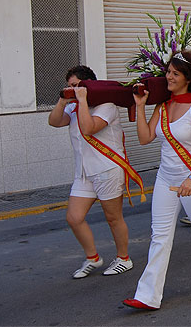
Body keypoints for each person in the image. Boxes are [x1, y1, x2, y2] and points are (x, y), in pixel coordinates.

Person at [124, 51, 191, 310]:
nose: (169, 77)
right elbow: (145, 137)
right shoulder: (162, 106)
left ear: (188, 78)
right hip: (165, 178)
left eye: (175, 73)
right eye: (168, 72)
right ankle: (148, 295)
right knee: (159, 235)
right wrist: (139, 106)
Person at [48, 66, 134, 279]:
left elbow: (88, 128)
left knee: (113, 217)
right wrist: (62, 100)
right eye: (69, 86)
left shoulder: (107, 106)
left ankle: (124, 258)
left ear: (88, 86)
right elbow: (54, 121)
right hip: (84, 171)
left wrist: (83, 100)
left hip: (107, 169)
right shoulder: (74, 106)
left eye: (76, 86)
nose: (72, 90)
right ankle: (92, 257)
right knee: (74, 217)